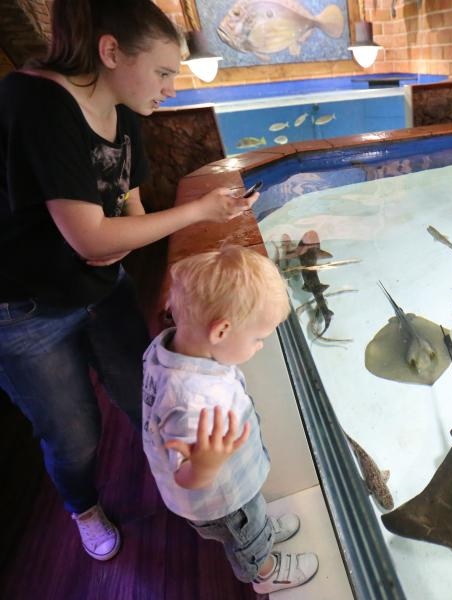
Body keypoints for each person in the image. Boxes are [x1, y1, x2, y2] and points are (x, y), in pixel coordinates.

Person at [0, 0, 256, 561]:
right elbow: (93, 238)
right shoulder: (35, 100)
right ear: (110, 51)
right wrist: (197, 211)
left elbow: (129, 218)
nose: (170, 88)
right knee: (73, 434)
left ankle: (175, 482)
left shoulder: (125, 110)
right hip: (25, 308)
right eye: (163, 72)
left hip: (103, 288)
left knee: (144, 394)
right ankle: (83, 508)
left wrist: (122, 244)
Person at [142, 245, 319, 594]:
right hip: (222, 500)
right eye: (257, 338)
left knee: (251, 522)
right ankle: (263, 570)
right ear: (221, 332)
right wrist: (205, 464)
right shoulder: (192, 404)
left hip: (232, 486)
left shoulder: (167, 347)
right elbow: (186, 477)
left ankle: (259, 531)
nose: (261, 346)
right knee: (244, 537)